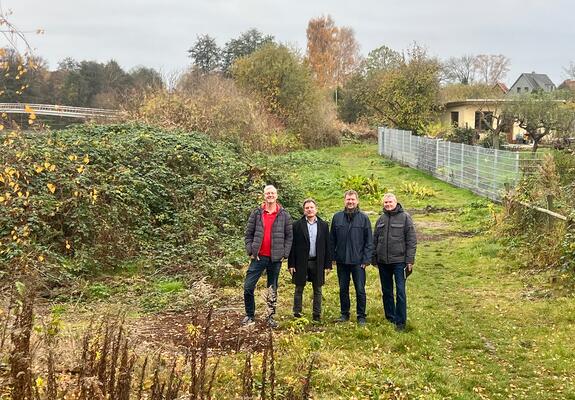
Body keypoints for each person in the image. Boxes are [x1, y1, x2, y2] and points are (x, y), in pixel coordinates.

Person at [243, 185, 293, 328]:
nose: (270, 195)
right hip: (258, 257)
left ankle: (270, 317)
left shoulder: (284, 215)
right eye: (267, 193)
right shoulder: (256, 213)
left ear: (276, 196)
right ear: (264, 196)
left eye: (272, 193)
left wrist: (285, 253)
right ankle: (250, 315)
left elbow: (289, 236)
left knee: (272, 289)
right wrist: (251, 251)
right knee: (248, 287)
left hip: (275, 259)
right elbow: (248, 234)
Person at [372, 193, 417, 332]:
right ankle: (390, 317)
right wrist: (374, 258)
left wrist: (410, 260)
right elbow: (375, 241)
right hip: (383, 262)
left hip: (399, 262)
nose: (388, 204)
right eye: (386, 202)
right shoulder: (380, 219)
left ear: (396, 202)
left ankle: (401, 322)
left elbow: (411, 240)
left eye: (390, 202)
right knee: (387, 291)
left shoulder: (405, 218)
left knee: (400, 292)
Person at [330, 190, 373, 326]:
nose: (350, 202)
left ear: (357, 201)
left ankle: (361, 316)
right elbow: (332, 240)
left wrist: (366, 260)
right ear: (344, 201)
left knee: (360, 289)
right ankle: (344, 314)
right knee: (343, 288)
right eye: (348, 199)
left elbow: (369, 241)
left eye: (353, 200)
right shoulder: (337, 218)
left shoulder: (364, 218)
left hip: (358, 262)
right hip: (342, 261)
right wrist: (333, 257)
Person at [288, 198, 332, 322]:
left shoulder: (323, 225)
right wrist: (291, 264)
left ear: (316, 209)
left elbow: (327, 245)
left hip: (317, 262)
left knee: (318, 289)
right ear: (304, 210)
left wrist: (328, 264)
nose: (309, 210)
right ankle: (297, 314)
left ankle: (316, 316)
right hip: (301, 262)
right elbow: (292, 245)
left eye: (311, 207)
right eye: (307, 208)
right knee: (299, 288)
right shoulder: (296, 225)